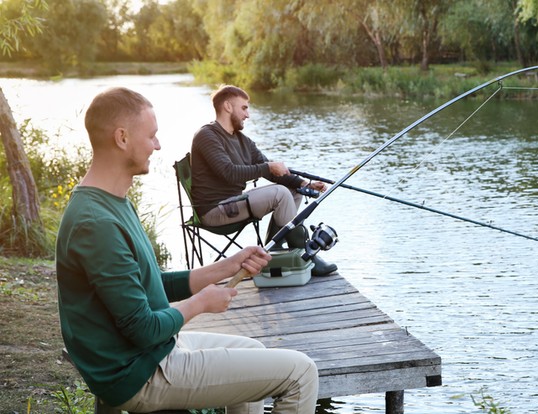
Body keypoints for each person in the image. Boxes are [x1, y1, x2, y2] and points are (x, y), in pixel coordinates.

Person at [56, 87, 319, 414]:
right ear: (122, 138)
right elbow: (142, 328)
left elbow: (151, 286)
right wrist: (201, 304)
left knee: (255, 349)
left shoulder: (111, 203)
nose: (158, 145)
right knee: (301, 373)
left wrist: (227, 266)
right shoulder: (96, 223)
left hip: (150, 353)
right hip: (139, 373)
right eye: (152, 136)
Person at [190, 84, 337, 276]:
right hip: (214, 210)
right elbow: (228, 172)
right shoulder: (206, 136)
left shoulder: (242, 140)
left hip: (233, 204)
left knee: (292, 192)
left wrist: (304, 184)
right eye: (243, 108)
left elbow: (269, 170)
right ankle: (306, 255)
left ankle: (272, 250)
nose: (247, 114)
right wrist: (268, 167)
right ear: (227, 106)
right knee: (280, 193)